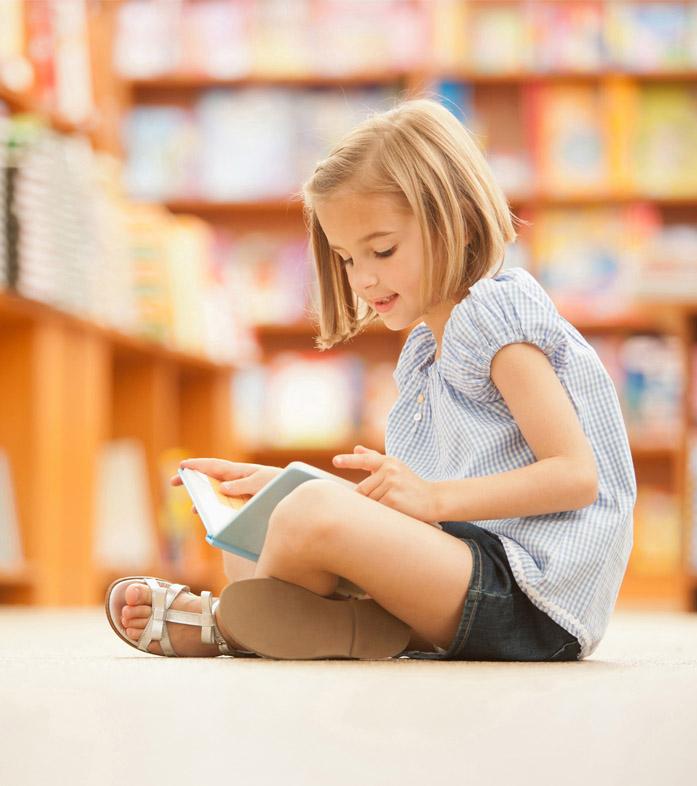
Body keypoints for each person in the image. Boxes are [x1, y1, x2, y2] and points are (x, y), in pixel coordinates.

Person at [105, 98, 636, 661]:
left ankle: (224, 628)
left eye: (381, 250)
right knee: (253, 528)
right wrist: (282, 484)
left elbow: (576, 476)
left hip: (532, 599)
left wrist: (426, 498)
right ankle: (352, 628)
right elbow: (413, 511)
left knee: (305, 517)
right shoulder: (429, 349)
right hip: (468, 570)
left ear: (449, 217)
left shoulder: (496, 318)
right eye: (346, 259)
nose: (363, 278)